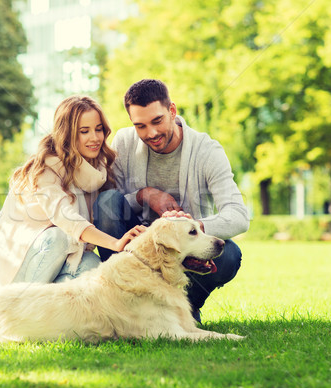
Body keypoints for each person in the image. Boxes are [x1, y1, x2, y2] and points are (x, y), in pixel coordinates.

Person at [93, 79, 250, 322]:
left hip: (185, 249)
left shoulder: (208, 151)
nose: (151, 133)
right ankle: (123, 304)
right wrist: (144, 195)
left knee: (229, 255)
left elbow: (239, 216)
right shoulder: (123, 143)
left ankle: (185, 308)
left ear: (172, 111)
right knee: (107, 202)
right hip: (139, 247)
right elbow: (111, 204)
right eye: (140, 126)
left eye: (157, 121)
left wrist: (193, 227)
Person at [0, 95, 145, 293]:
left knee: (92, 267)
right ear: (67, 135)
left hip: (64, 256)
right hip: (18, 260)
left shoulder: (99, 169)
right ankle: (17, 307)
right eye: (84, 131)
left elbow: (116, 204)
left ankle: (45, 311)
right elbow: (67, 219)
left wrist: (145, 197)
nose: (94, 138)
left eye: (98, 129)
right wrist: (116, 243)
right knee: (58, 237)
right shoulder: (46, 168)